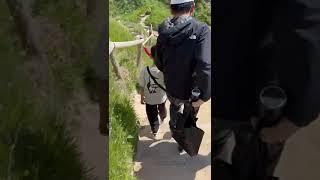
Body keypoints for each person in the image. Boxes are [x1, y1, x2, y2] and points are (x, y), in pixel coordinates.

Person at [213, 0, 320, 179]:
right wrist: (300, 113)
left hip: (223, 84)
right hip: (262, 94)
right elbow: (305, 21)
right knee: (254, 166)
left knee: (216, 151)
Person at [154, 0, 211, 151]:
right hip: (193, 90)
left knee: (174, 106)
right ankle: (184, 142)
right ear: (192, 7)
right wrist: (204, 96)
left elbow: (158, 61)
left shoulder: (163, 30)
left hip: (172, 86)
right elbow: (205, 65)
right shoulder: (201, 29)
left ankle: (175, 131)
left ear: (171, 9)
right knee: (190, 113)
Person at [139, 46, 167, 136]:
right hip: (161, 98)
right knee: (162, 107)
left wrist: (141, 98)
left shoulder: (145, 71)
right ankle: (163, 116)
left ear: (151, 57)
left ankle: (154, 129)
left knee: (151, 113)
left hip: (149, 99)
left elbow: (142, 86)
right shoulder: (164, 71)